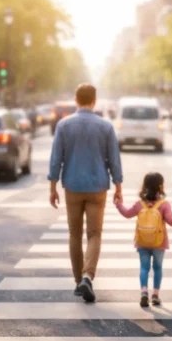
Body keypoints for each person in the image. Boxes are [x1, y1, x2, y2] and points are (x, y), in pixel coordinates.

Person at [48, 83, 123, 303]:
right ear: (94, 101)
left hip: (72, 185)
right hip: (98, 186)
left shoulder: (63, 125)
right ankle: (88, 277)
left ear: (76, 99)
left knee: (74, 233)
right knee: (94, 233)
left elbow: (56, 159)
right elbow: (114, 160)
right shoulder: (105, 127)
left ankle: (78, 279)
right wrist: (118, 186)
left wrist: (52, 187)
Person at [115, 173, 172, 307]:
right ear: (161, 187)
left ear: (144, 186)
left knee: (144, 267)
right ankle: (155, 294)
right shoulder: (164, 205)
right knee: (158, 267)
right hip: (159, 243)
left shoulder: (139, 204)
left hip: (142, 242)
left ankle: (143, 292)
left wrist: (118, 204)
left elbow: (126, 213)